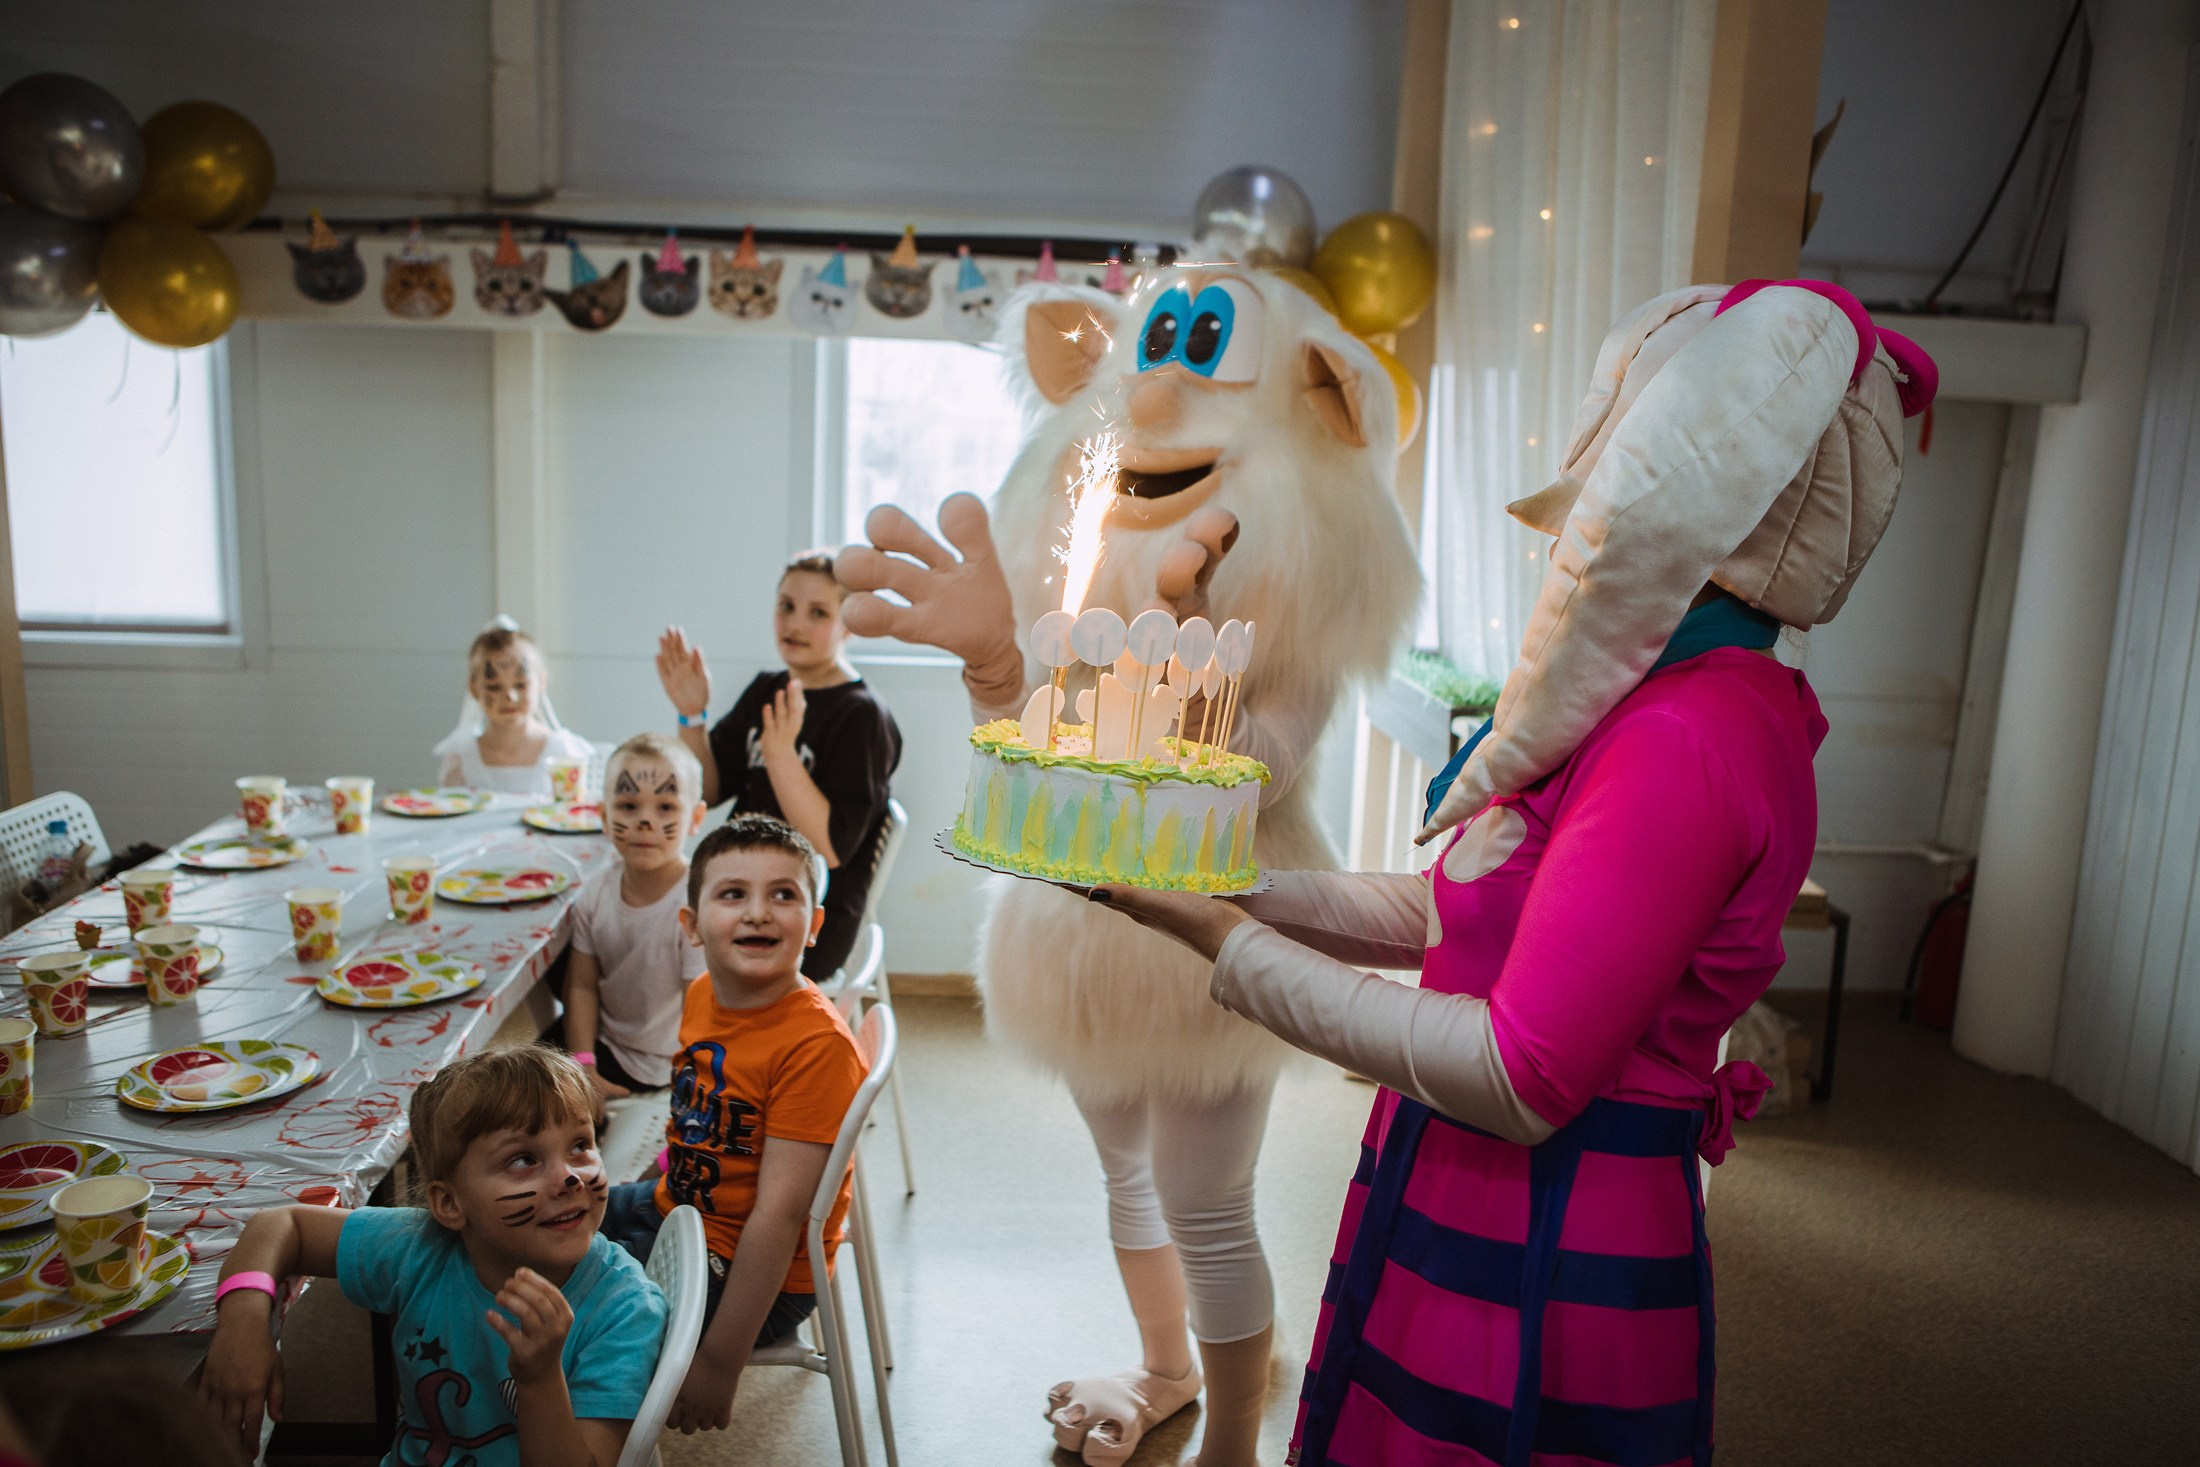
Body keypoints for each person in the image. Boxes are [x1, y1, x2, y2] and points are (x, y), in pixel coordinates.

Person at [1087, 280, 1937, 1467]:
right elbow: (1455, 910)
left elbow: (1519, 1075)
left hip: (1546, 1230)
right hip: (1462, 1191)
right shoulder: (1646, 695)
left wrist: (1224, 946)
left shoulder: (1687, 738)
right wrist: (1239, 893)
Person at [200, 1046, 668, 1467]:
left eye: (581, 1145)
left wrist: (541, 1378)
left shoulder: (624, 1308)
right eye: (523, 1159)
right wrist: (243, 1322)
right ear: (449, 1204)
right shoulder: (422, 1247)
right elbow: (280, 1225)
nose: (571, 1177)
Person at [598, 816, 869, 1435]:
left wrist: (720, 1364)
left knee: (584, 1315)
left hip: (750, 1271)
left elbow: (778, 1219)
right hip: (677, 1207)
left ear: (814, 925)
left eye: (783, 894)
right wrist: (654, 1179)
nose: (758, 913)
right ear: (691, 925)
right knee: (537, 1226)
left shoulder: (816, 1048)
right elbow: (703, 1115)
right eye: (732, 894)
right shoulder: (702, 994)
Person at [656, 553, 901, 979]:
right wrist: (692, 716)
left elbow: (830, 848)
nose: (795, 623)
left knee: (672, 948)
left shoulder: (861, 715)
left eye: (818, 613)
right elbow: (707, 790)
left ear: (847, 626)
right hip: (735, 887)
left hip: (809, 915)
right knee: (638, 925)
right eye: (786, 606)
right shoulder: (766, 690)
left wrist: (781, 755)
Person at [562, 733, 709, 1113]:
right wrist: (583, 1066)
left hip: (660, 1067)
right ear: (604, 817)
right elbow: (580, 986)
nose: (645, 820)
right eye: (628, 805)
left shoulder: (695, 907)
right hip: (605, 1046)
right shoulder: (596, 892)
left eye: (665, 807)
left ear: (695, 819)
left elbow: (701, 1016)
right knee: (519, 1077)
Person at [435, 617, 596, 795]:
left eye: (520, 685)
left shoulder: (563, 754)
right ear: (474, 689)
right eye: (494, 687)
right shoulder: (461, 758)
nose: (510, 697)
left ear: (541, 682)